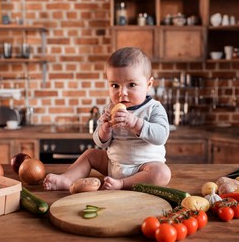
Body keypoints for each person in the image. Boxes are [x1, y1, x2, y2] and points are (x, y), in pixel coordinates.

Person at [43, 47, 171, 191]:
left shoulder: (153, 108)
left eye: (132, 85)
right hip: (113, 164)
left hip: (143, 168)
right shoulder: (110, 109)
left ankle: (123, 184)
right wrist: (105, 131)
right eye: (115, 85)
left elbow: (161, 136)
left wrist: (135, 123)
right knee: (90, 154)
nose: (122, 93)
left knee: (162, 173)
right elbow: (100, 143)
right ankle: (66, 179)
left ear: (148, 84)